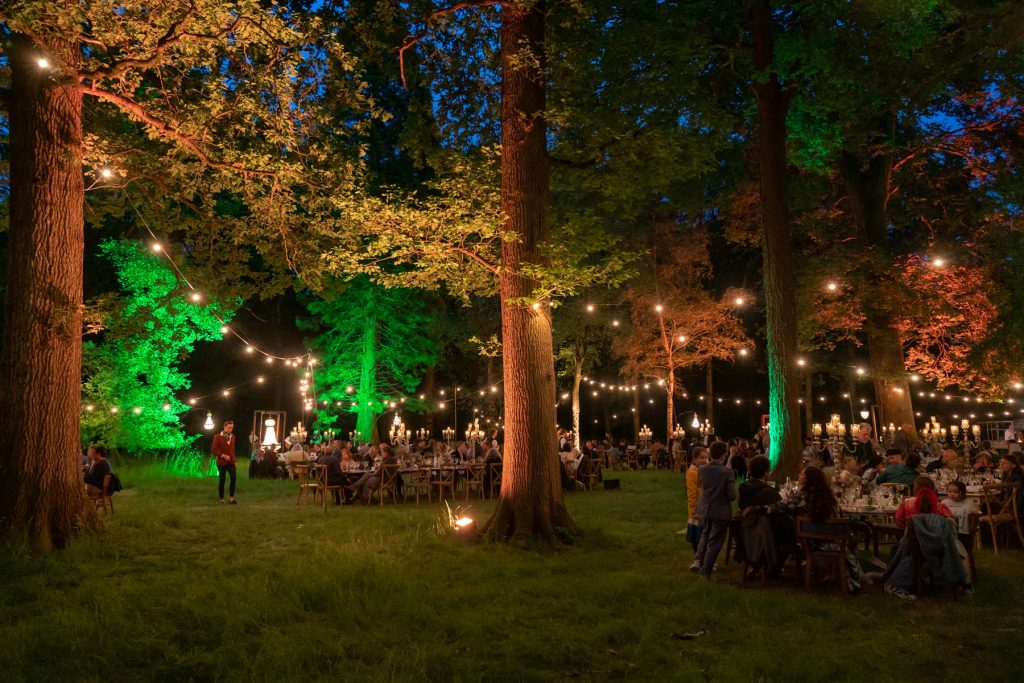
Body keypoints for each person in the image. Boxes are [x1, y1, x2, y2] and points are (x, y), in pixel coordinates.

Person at [691, 441, 735, 579]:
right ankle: (706, 570)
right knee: (715, 541)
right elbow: (731, 495)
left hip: (705, 508)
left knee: (705, 534)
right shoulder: (727, 472)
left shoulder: (702, 470)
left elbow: (704, 487)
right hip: (720, 511)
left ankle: (699, 561)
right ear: (723, 455)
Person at [685, 448, 708, 556]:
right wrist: (694, 510)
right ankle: (698, 558)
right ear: (695, 459)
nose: (704, 460)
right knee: (697, 535)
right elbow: (692, 493)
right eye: (701, 458)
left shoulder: (701, 471)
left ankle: (703, 558)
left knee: (703, 534)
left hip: (703, 506)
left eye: (706, 458)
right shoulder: (692, 472)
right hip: (696, 508)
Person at [213, 420, 237, 504]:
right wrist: (223, 455)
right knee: (222, 480)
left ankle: (231, 498)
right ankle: (221, 498)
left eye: (232, 427)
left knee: (233, 479)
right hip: (221, 462)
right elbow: (214, 450)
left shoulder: (233, 436)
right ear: (224, 427)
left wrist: (235, 460)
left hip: (231, 462)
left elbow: (232, 450)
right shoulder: (217, 437)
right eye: (229, 427)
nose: (231, 429)